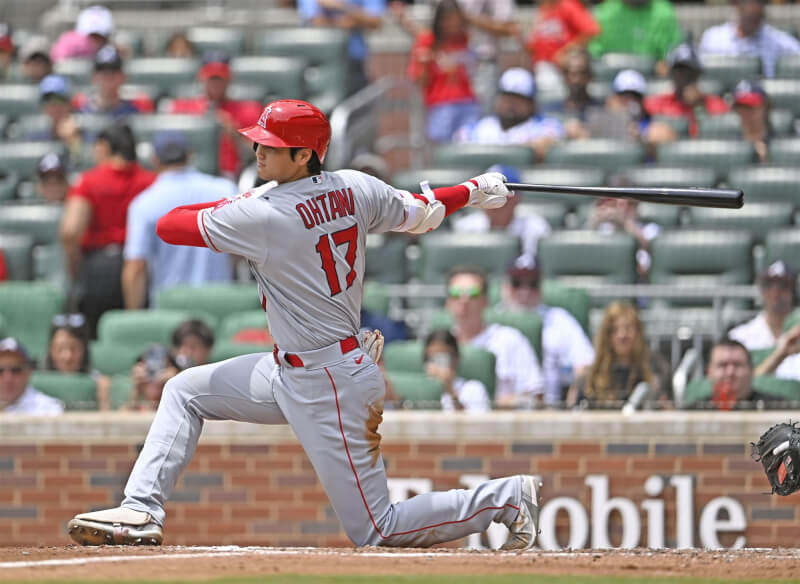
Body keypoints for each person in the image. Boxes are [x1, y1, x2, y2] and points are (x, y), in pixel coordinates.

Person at [67, 98, 541, 551]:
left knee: (378, 529)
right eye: (258, 143)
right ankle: (142, 509)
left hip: (327, 380)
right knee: (183, 391)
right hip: (292, 369)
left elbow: (169, 224)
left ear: (304, 153)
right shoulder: (356, 185)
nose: (258, 151)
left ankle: (505, 498)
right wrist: (474, 191)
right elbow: (423, 212)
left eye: (271, 146)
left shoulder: (265, 213)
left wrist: (252, 195)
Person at [60, 123, 157, 338]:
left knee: (92, 338)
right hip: (138, 268)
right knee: (133, 335)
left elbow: (70, 231)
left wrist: (74, 266)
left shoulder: (89, 180)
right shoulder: (151, 180)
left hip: (97, 267)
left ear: (104, 147)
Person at [122, 131, 236, 310]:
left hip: (170, 311)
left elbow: (136, 267)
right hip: (219, 304)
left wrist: (134, 315)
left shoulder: (144, 203)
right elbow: (241, 252)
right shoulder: (225, 190)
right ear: (189, 155)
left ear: (155, 160)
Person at [499, 255, 594, 407]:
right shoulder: (491, 321)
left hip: (550, 412)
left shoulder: (559, 319)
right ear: (504, 286)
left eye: (532, 284)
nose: (525, 291)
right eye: (517, 283)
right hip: (498, 410)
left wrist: (577, 390)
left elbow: (585, 362)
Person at [445, 266, 545, 409]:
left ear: (485, 300)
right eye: (456, 293)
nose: (464, 300)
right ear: (447, 302)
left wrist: (485, 404)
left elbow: (536, 397)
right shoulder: (439, 345)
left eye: (472, 293)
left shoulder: (511, 340)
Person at [168, 51, 264, 180]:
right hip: (191, 174)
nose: (216, 85)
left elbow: (260, 153)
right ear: (202, 77)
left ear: (229, 78)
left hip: (233, 175)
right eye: (212, 79)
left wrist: (235, 133)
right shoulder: (183, 107)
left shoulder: (249, 109)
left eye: (220, 79)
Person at [570, 301, 669, 410]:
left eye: (628, 328)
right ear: (606, 335)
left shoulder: (656, 370)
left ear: (638, 332)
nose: (622, 335)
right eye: (615, 329)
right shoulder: (589, 379)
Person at [406, 0, 481, 143]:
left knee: (469, 147)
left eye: (457, 20)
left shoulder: (466, 39)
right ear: (440, 21)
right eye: (448, 20)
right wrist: (425, 64)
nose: (453, 25)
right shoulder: (427, 41)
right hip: (440, 105)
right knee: (441, 152)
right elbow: (420, 81)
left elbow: (474, 71)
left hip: (468, 102)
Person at [455, 67, 564, 161]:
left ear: (531, 103)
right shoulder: (481, 127)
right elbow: (460, 141)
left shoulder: (543, 126)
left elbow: (552, 137)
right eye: (507, 98)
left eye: (518, 99)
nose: (511, 104)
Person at [452, 165, 551, 259]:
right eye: (487, 194)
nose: (493, 202)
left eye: (501, 196)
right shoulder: (465, 228)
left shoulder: (535, 227)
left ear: (516, 199)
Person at [729, 260, 800, 382]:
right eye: (768, 284)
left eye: (783, 285)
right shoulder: (739, 337)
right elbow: (738, 386)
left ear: (792, 290)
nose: (775, 291)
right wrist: (780, 355)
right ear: (761, 289)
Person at [298, 0, 385, 96]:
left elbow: (375, 21)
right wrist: (357, 19)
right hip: (319, 65)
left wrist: (340, 6)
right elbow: (317, 23)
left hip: (354, 62)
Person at [126, 319, 215, 412]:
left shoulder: (215, 380)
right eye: (180, 346)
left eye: (193, 346)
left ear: (208, 350)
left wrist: (180, 385)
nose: (186, 352)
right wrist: (138, 392)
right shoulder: (165, 372)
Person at [644, 43, 729, 138]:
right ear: (671, 73)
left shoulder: (716, 105)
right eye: (679, 70)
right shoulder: (657, 104)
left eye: (689, 71)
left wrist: (701, 105)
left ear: (698, 73)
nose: (683, 76)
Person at [699, 0, 800, 79]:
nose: (753, 8)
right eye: (749, 2)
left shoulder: (781, 42)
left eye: (759, 2)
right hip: (726, 101)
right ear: (736, 3)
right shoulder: (713, 38)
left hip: (763, 102)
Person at [691, 338, 784, 410]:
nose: (730, 372)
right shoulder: (694, 411)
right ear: (708, 372)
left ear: (751, 371)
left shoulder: (777, 408)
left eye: (737, 365)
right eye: (722, 365)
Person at [45, 313, 111, 410]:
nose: (67, 356)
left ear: (84, 350)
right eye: (60, 348)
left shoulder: (99, 384)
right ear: (51, 349)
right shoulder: (32, 382)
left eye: (74, 348)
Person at [588, 0, 682, 67]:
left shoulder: (664, 12)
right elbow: (594, 51)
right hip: (609, 79)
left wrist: (665, 63)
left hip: (652, 80)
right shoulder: (604, 13)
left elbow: (674, 50)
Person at [73, 44, 153, 119]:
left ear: (123, 76)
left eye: (114, 69)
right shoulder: (81, 112)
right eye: (102, 69)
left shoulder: (133, 114)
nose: (108, 75)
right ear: (93, 76)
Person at [600, 69, 676, 148]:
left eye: (635, 97)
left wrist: (643, 142)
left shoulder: (655, 131)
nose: (630, 103)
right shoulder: (599, 129)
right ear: (611, 101)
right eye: (623, 97)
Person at [423, 329, 491, 412]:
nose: (437, 365)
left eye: (443, 358)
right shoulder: (419, 391)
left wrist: (451, 391)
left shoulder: (473, 389)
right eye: (432, 359)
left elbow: (476, 423)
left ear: (456, 358)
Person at [526, 0, 599, 73]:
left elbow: (590, 31)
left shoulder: (568, 5)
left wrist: (565, 52)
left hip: (561, 69)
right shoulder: (544, 8)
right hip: (541, 63)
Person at [0, 337, 64, 415]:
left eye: (15, 370)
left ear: (28, 372)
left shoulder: (49, 410)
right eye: (0, 370)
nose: (7, 378)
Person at [731, 79, 771, 163]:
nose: (747, 112)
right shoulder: (730, 148)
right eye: (741, 107)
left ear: (765, 106)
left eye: (751, 106)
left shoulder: (779, 144)